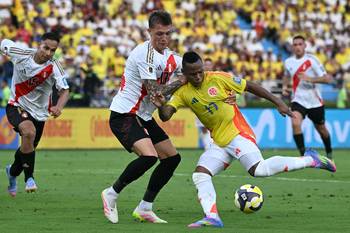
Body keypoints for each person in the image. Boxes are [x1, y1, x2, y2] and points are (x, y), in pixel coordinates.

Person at [152, 51, 336, 228]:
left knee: (259, 170)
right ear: (185, 74)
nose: (199, 76)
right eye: (193, 74)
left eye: (201, 71)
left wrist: (278, 102)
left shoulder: (218, 77)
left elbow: (251, 86)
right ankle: (212, 217)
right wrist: (161, 106)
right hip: (219, 142)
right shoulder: (183, 92)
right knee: (200, 174)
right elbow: (167, 115)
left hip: (238, 133)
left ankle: (311, 159)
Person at [101, 10, 186, 224]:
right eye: (159, 34)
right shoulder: (144, 53)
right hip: (125, 113)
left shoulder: (171, 57)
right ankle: (111, 193)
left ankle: (145, 207)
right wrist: (181, 81)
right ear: (149, 32)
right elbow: (155, 91)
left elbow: (194, 68)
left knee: (172, 159)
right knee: (149, 157)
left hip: (143, 116)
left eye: (167, 33)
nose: (164, 38)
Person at [0, 32, 70, 197]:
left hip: (39, 114)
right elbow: (3, 43)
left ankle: (12, 172)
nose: (48, 53)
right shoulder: (21, 53)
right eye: (46, 48)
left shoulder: (54, 66)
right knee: (28, 132)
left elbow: (65, 91)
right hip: (16, 105)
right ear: (39, 44)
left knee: (27, 149)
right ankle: (29, 178)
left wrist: (59, 107)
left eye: (53, 50)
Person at [282, 35, 333, 159]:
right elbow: (286, 75)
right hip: (298, 100)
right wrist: (284, 86)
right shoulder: (288, 62)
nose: (298, 47)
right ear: (292, 47)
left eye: (300, 44)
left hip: (314, 102)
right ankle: (303, 157)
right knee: (295, 122)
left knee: (322, 130)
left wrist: (310, 79)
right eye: (295, 45)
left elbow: (327, 79)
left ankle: (329, 152)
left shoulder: (312, 60)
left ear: (305, 46)